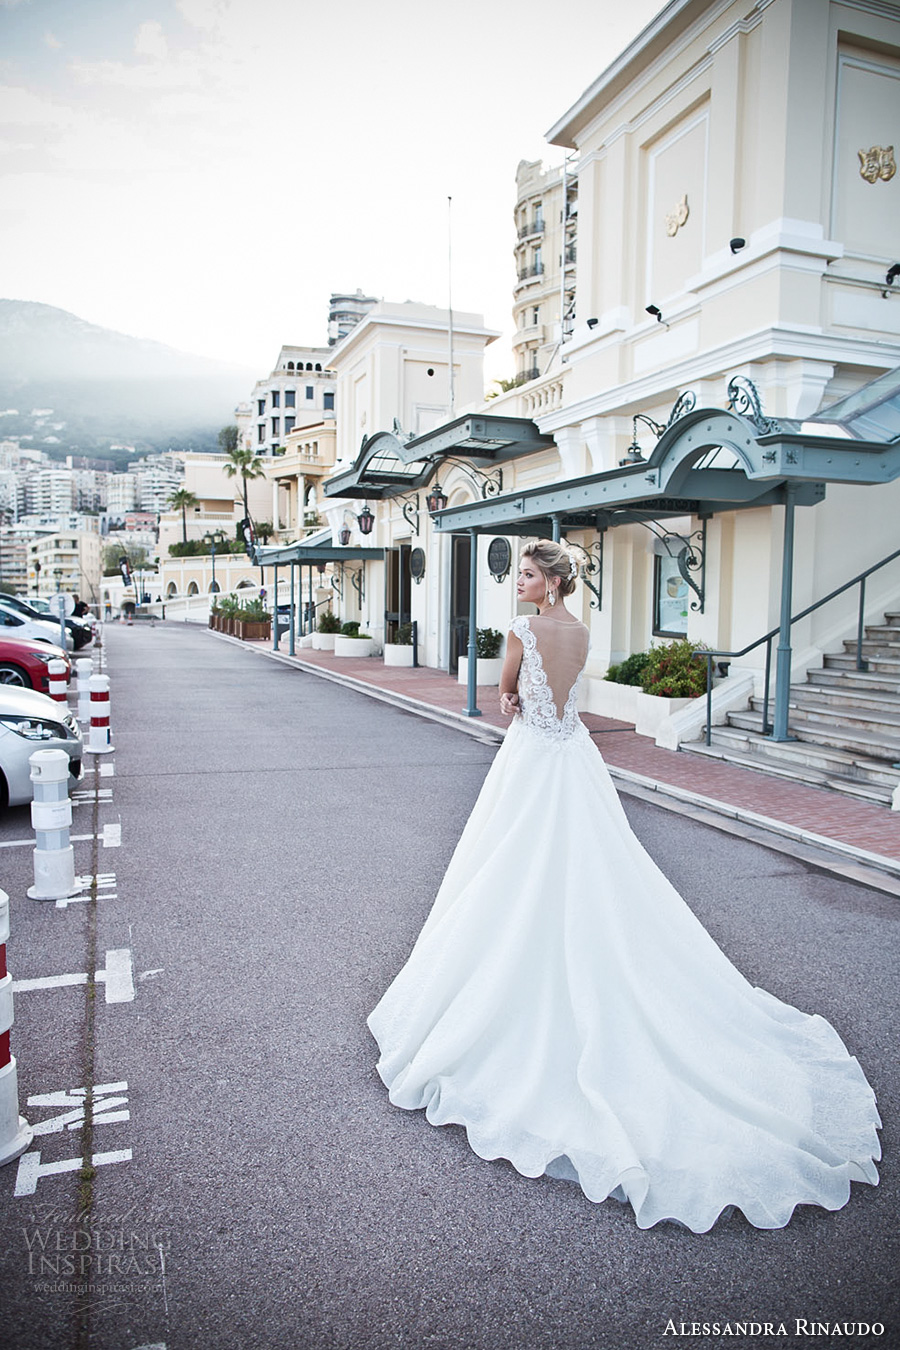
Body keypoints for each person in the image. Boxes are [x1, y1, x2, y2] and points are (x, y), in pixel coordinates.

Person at [368, 539, 881, 1232]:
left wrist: (514, 696)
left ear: (550, 582)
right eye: (518, 571)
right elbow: (568, 694)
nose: (517, 581)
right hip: (574, 757)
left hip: (530, 761)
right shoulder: (580, 631)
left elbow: (507, 697)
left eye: (526, 573)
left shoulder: (522, 629)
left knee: (508, 865)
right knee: (590, 865)